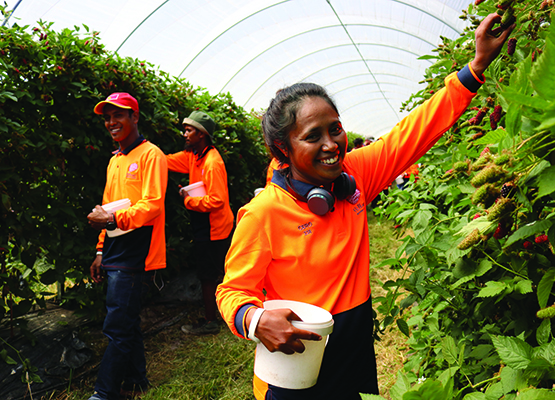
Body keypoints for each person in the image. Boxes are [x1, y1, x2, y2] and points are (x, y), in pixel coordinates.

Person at [216, 13, 513, 400]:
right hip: (294, 358)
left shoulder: (355, 176)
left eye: (335, 128)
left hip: (354, 347)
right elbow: (232, 292)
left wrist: (474, 69)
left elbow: (412, 133)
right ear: (282, 151)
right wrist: (255, 319)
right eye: (313, 136)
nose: (330, 144)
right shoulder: (264, 213)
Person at [86, 92, 168, 400]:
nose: (111, 122)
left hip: (137, 252)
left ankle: (104, 392)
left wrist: (111, 221)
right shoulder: (115, 160)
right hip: (113, 250)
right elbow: (107, 206)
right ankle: (137, 381)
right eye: (107, 117)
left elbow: (152, 206)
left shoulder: (151, 155)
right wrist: (98, 250)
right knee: (126, 322)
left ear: (134, 117)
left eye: (118, 115)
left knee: (117, 326)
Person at [165, 111, 234, 334]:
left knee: (208, 275)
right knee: (215, 271)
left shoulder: (212, 162)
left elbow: (216, 200)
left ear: (202, 134)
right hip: (206, 223)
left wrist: (188, 200)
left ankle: (211, 321)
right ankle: (225, 312)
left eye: (189, 130)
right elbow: (167, 161)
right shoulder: (195, 156)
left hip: (215, 227)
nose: (184, 134)